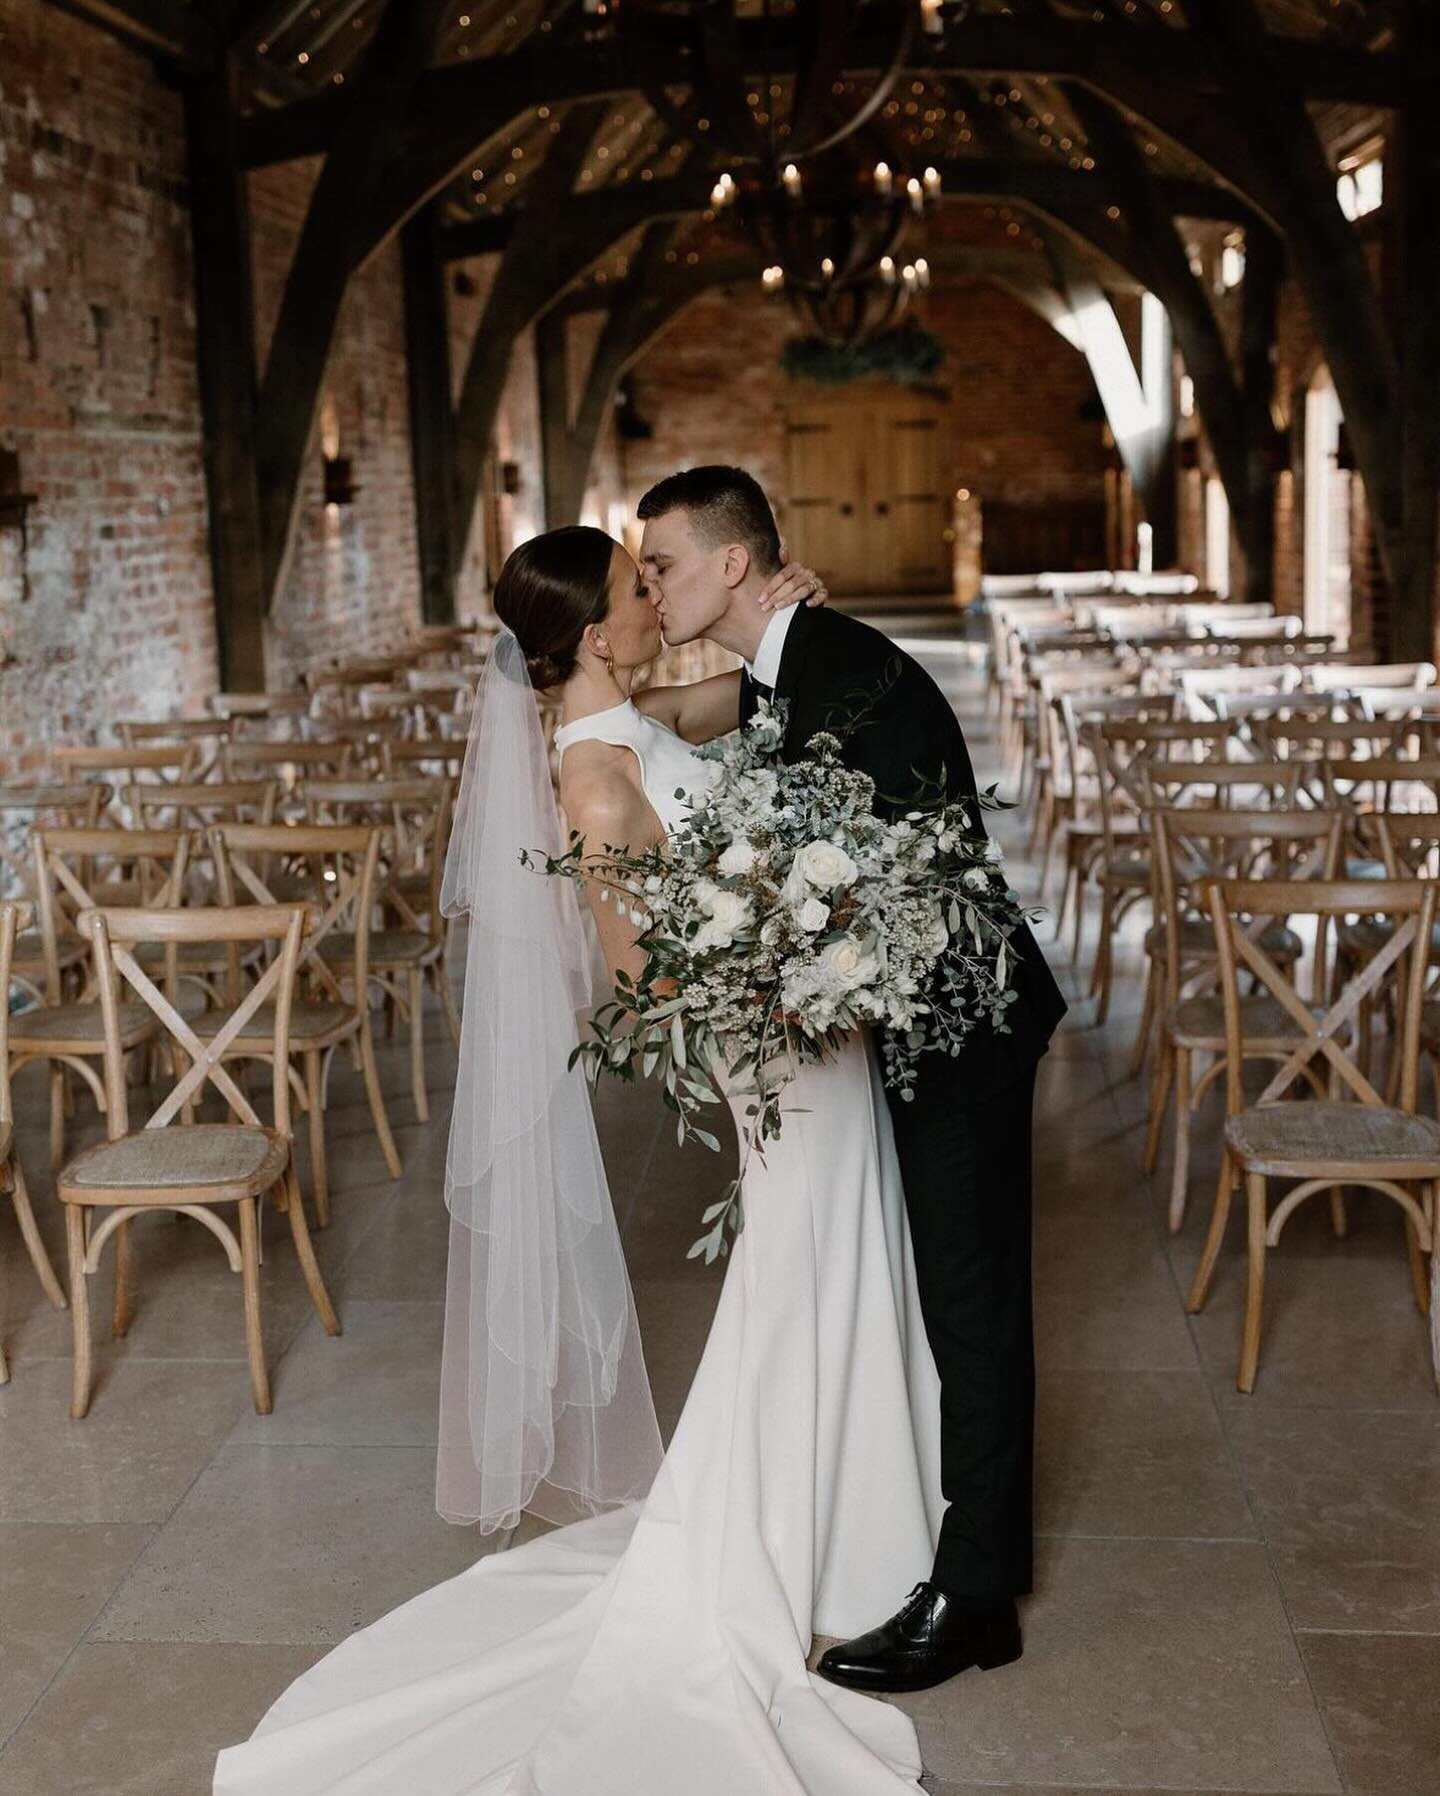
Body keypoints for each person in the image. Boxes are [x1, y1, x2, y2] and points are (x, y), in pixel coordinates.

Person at [212, 526, 947, 1796]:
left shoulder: (625, 707)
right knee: (798, 1265)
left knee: (834, 1255)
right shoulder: (598, 775)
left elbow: (728, 694)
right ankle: (797, 1536)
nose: (655, 591)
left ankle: (858, 1516)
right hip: (774, 1040)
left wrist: (791, 618)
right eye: (636, 583)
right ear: (599, 631)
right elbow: (639, 973)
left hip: (806, 1024)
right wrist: (788, 972)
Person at [638, 466, 1068, 1693]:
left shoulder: (847, 670)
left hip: (964, 1027)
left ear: (733, 563)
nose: (652, 583)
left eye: (661, 561)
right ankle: (949, 1553)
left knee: (973, 1302)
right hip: (919, 1022)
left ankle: (978, 1595)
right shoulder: (796, 660)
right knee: (951, 1294)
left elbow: (903, 878)